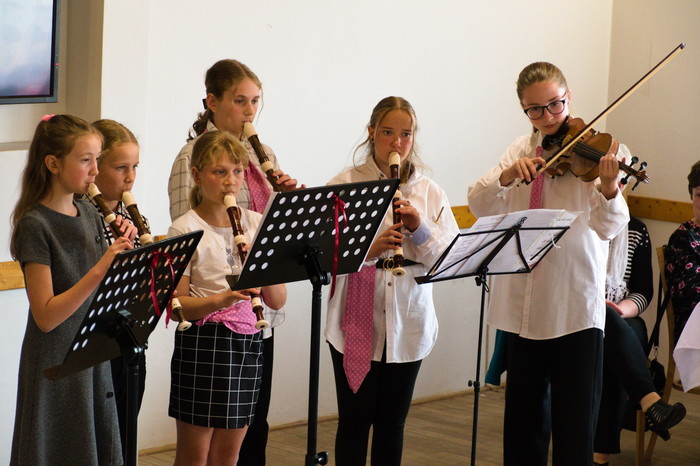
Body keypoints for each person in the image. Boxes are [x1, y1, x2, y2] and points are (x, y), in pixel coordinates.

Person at [467, 62, 630, 465]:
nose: (548, 117)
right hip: (522, 306)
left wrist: (609, 188)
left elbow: (608, 228)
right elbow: (478, 203)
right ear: (524, 109)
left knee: (574, 428)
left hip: (573, 305)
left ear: (568, 97)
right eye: (535, 109)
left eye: (555, 104)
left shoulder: (603, 152)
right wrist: (507, 176)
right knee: (523, 427)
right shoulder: (519, 150)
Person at [168, 59, 301, 465]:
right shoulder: (189, 164)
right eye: (240, 101)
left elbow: (277, 295)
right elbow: (182, 282)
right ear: (213, 102)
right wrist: (223, 297)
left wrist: (284, 209)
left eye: (255, 101)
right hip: (206, 334)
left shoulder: (262, 161)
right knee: (195, 453)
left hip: (252, 329)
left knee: (242, 442)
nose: (249, 111)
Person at [326, 96, 459, 465]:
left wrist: (419, 228)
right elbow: (324, 256)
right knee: (354, 422)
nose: (397, 143)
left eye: (406, 134)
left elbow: (448, 259)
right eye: (387, 133)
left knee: (392, 423)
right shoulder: (345, 184)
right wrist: (370, 250)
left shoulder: (429, 191)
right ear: (371, 133)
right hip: (355, 318)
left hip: (409, 318)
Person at [9, 114, 133, 465]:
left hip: (90, 351)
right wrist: (102, 266)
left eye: (97, 159)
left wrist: (126, 255)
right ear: (53, 164)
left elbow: (103, 289)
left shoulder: (89, 212)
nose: (96, 171)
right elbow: (46, 316)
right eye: (85, 160)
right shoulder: (35, 224)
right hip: (55, 359)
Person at [594, 215, 686, 465]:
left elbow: (643, 291)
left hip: (622, 314)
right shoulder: (580, 224)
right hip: (581, 315)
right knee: (613, 340)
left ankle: (599, 455)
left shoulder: (636, 229)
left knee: (620, 335)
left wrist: (619, 311)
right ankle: (650, 402)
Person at [91, 118, 148, 460]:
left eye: (135, 167)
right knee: (100, 443)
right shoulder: (82, 214)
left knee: (125, 438)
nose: (130, 177)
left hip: (130, 336)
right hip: (97, 341)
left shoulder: (131, 214)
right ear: (95, 168)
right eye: (121, 167)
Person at [665, 160, 700, 344]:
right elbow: (690, 294)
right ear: (691, 195)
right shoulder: (683, 238)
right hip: (694, 333)